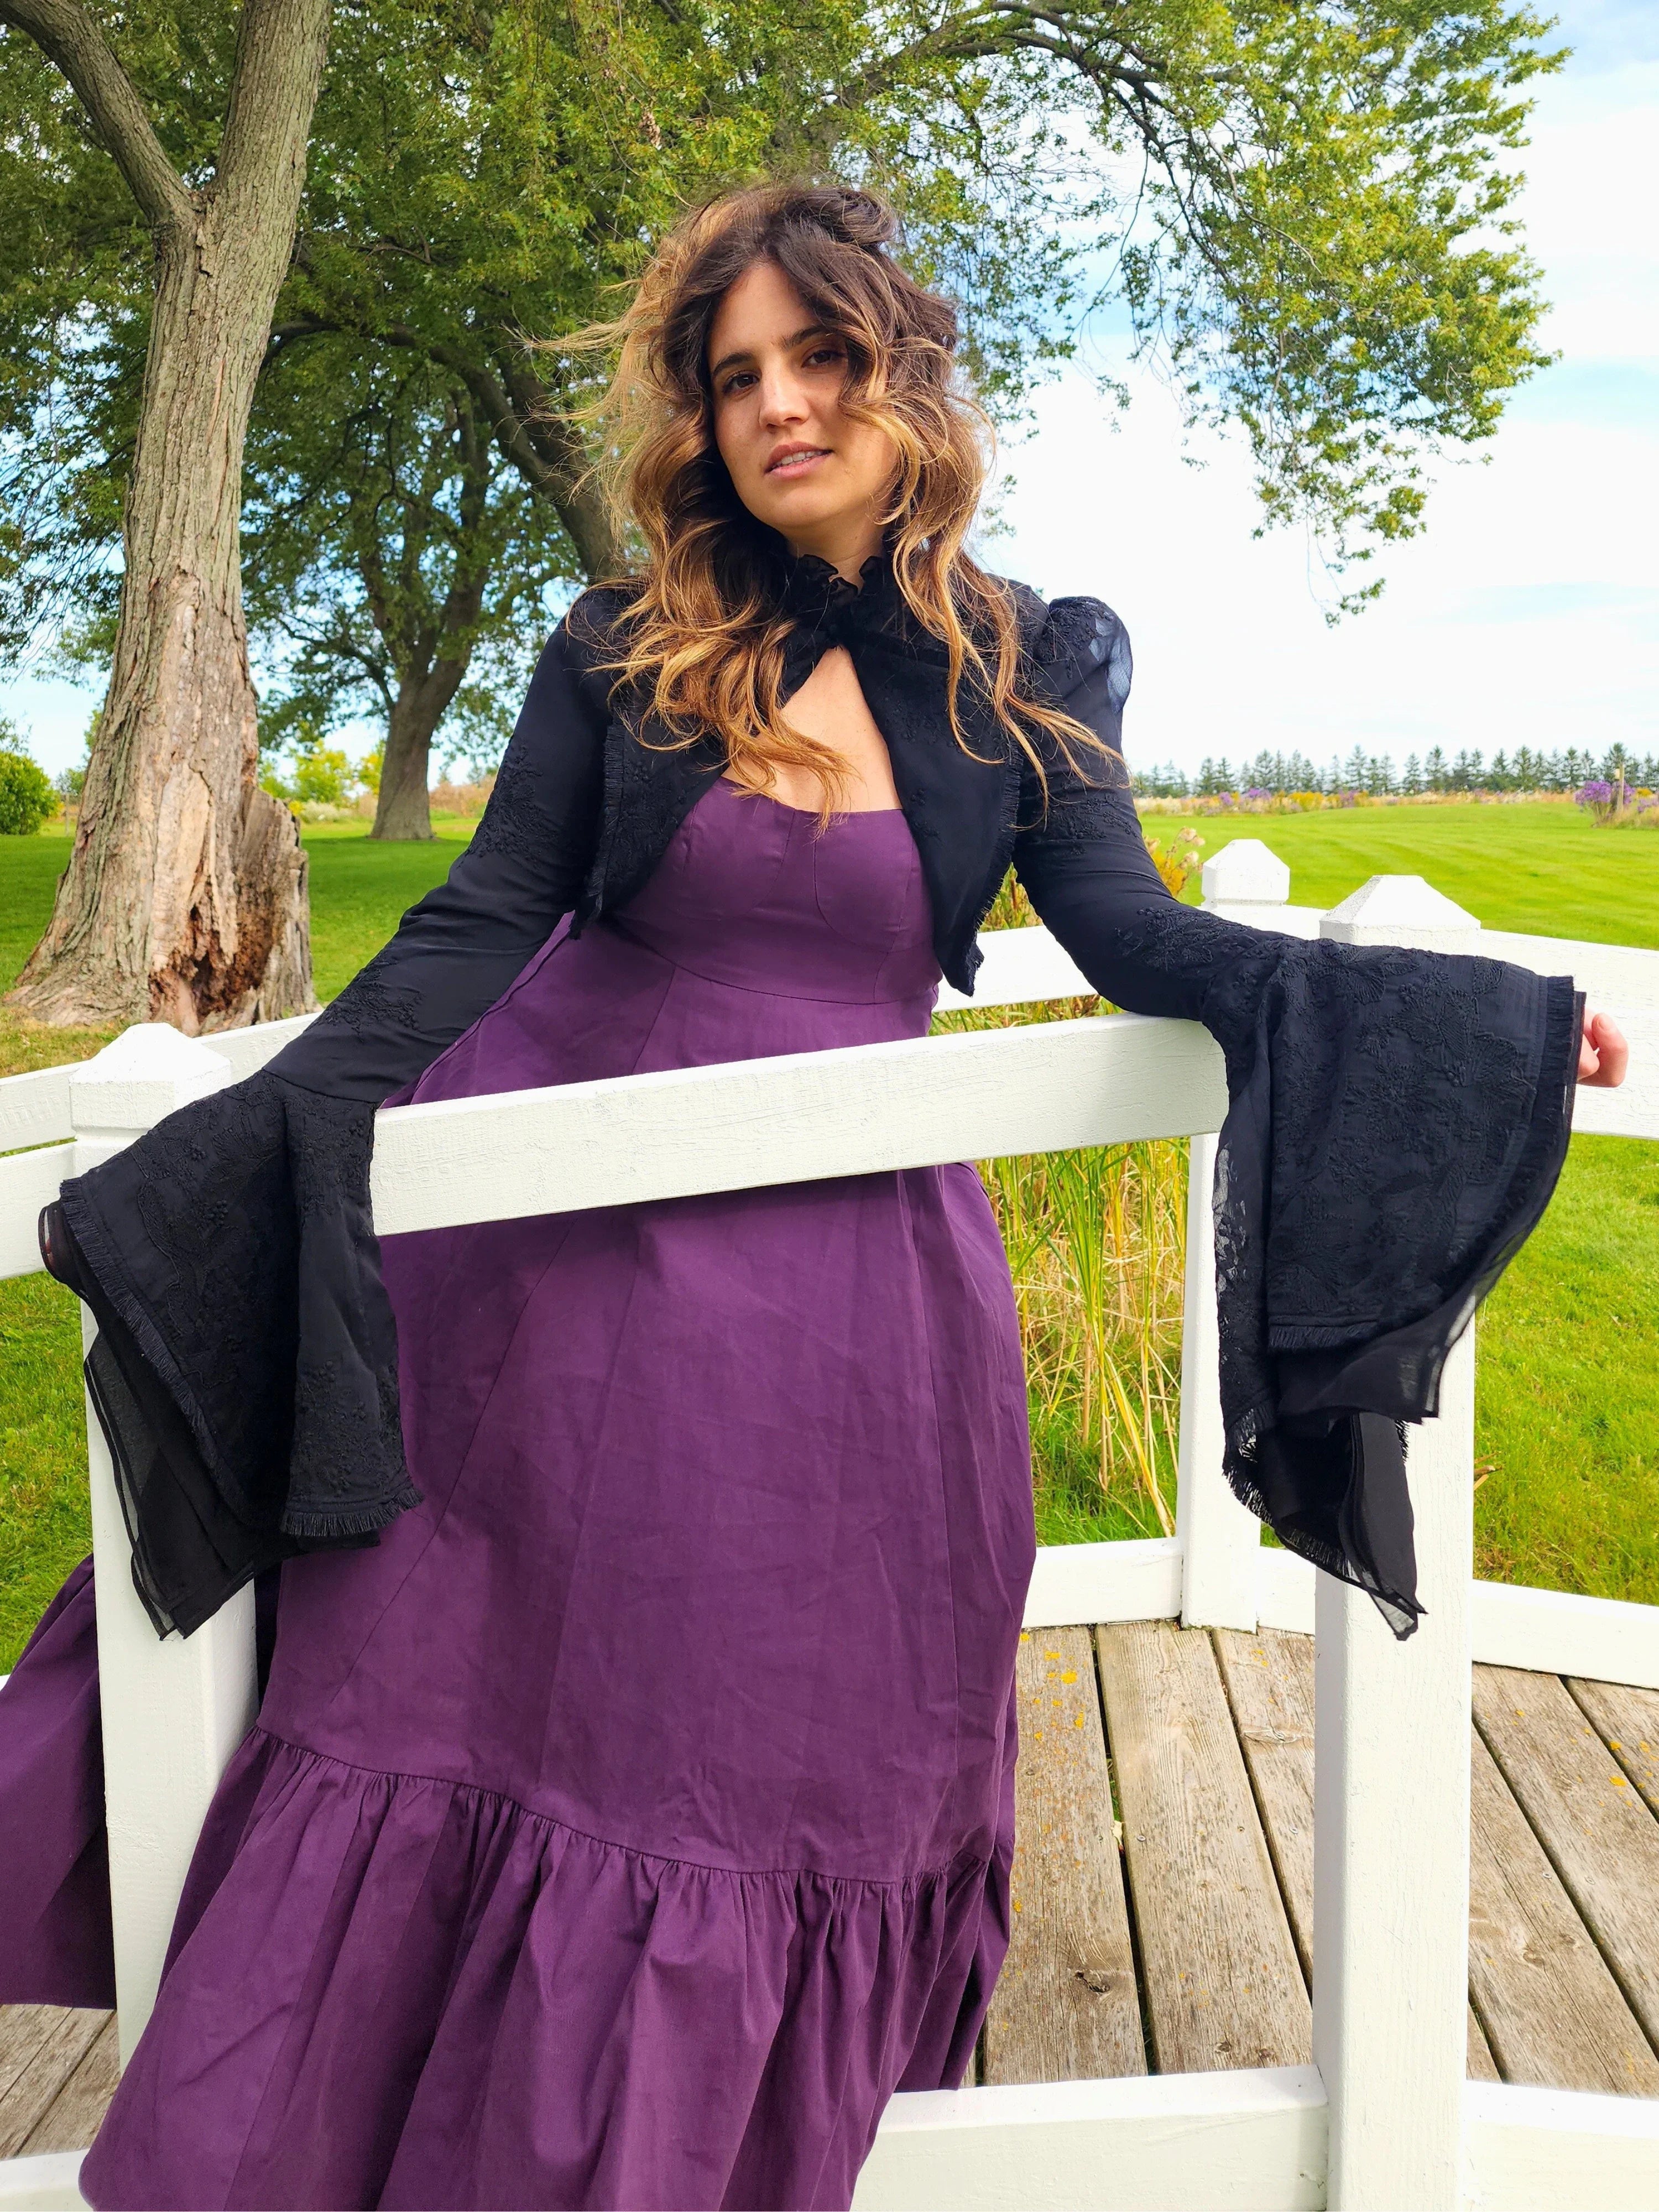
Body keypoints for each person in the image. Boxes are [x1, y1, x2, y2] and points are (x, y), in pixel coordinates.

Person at [0, 184, 1627, 2212]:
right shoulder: (625, 644)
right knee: (460, 1663)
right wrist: (278, 1120)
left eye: (817, 358)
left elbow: (1130, 936)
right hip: (550, 1216)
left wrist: (1432, 1013)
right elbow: (486, 921)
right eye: (732, 375)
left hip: (841, 1264)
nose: (776, 407)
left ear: (904, 369)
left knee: (745, 1704)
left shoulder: (1034, 659)